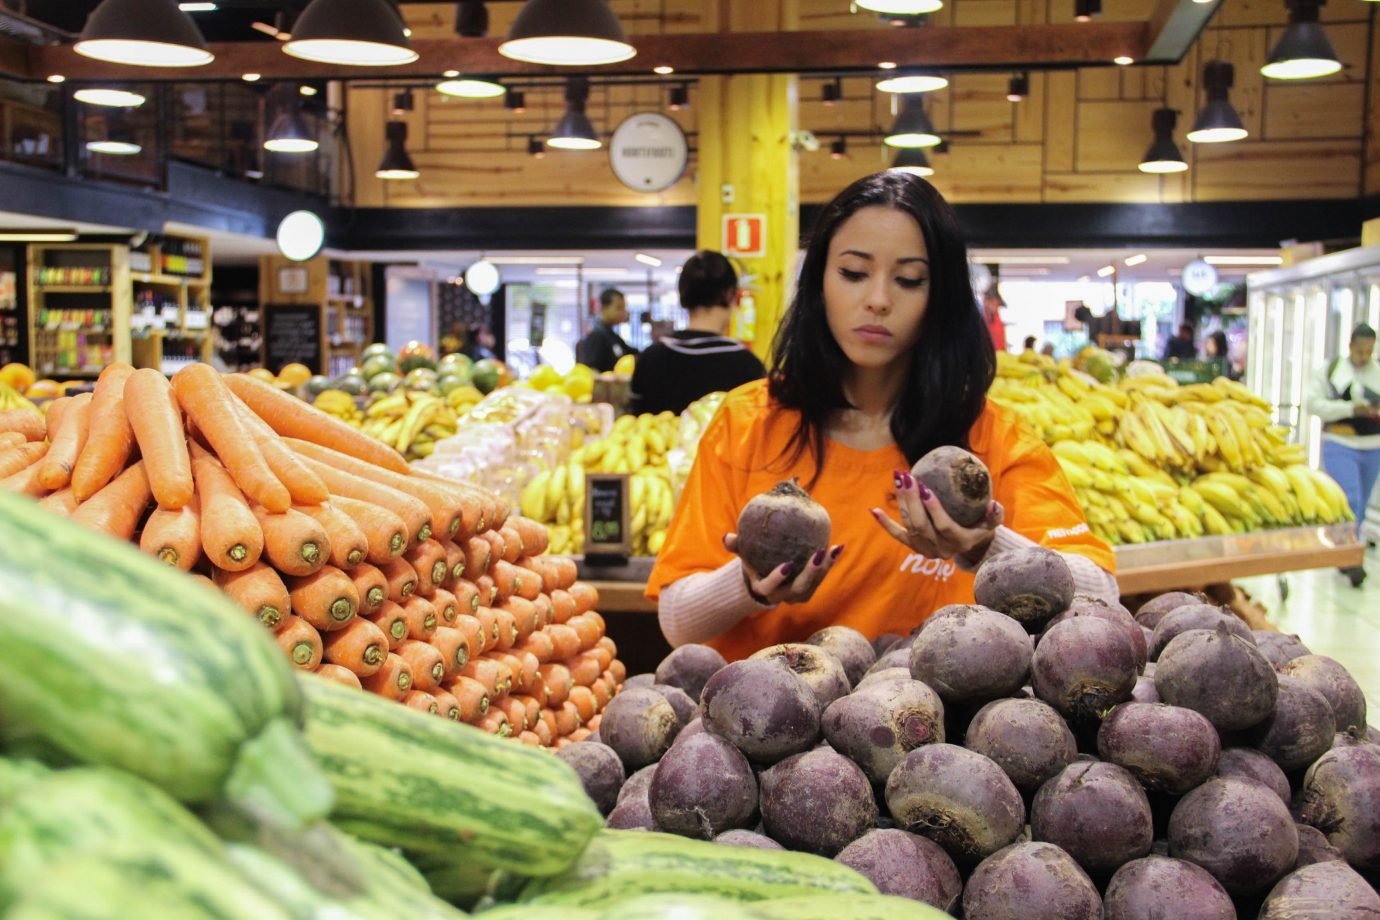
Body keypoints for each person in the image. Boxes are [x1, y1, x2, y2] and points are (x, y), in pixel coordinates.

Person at [646, 171, 1116, 658]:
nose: (877, 300)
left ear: (941, 299)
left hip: (937, 728)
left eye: (909, 280)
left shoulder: (990, 439)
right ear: (819, 282)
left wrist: (982, 549)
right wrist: (749, 583)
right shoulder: (748, 422)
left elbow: (1102, 594)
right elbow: (677, 620)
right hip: (766, 720)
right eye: (853, 273)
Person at [629, 250, 766, 415]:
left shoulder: (649, 359)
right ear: (730, 294)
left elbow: (635, 424)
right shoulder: (747, 366)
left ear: (682, 294)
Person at [1306, 322, 1380, 587]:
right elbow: (1313, 404)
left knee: (1361, 501)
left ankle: (1347, 551)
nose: (1364, 357)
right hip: (1340, 443)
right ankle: (1349, 556)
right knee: (1352, 499)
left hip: (1373, 446)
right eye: (1360, 351)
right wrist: (1350, 409)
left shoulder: (1377, 371)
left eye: (1369, 352)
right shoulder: (1332, 369)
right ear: (1350, 346)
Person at [576, 288, 635, 372]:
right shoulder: (597, 336)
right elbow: (591, 370)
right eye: (619, 308)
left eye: (624, 308)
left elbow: (632, 353)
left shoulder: (612, 335)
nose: (623, 312)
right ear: (604, 308)